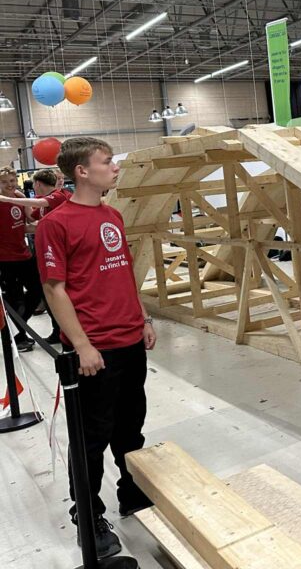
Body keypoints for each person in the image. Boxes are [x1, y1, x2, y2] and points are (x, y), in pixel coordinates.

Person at [36, 138, 157, 560]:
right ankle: (88, 515)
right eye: (107, 162)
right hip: (95, 351)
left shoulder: (112, 214)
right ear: (82, 171)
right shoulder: (56, 223)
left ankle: (131, 490)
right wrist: (83, 345)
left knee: (130, 427)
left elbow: (124, 272)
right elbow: (55, 289)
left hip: (130, 341)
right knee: (91, 437)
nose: (115, 167)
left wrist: (143, 318)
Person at [0, 167, 59, 349]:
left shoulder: (19, 197)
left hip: (24, 254)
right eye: (4, 182)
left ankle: (19, 325)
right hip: (5, 259)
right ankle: (19, 338)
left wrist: (51, 226)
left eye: (12, 180)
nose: (10, 185)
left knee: (38, 290)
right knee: (14, 298)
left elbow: (28, 223)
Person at [1, 168, 73, 220]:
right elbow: (32, 217)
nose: (33, 187)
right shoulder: (44, 200)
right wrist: (23, 197)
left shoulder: (58, 196)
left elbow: (39, 203)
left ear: (37, 183)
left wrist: (6, 199)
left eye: (33, 183)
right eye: (4, 182)